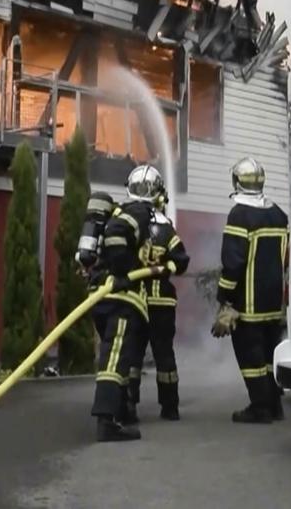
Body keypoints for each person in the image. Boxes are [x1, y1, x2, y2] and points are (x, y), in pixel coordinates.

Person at [84, 165, 168, 442]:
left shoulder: (120, 210)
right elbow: (117, 235)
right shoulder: (139, 212)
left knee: (120, 358)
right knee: (113, 359)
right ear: (156, 192)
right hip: (120, 298)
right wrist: (123, 271)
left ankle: (120, 412)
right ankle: (106, 422)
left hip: (102, 295)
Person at [211, 157, 289, 424]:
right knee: (269, 356)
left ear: (237, 182)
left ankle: (260, 408)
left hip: (248, 304)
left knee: (250, 357)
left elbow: (233, 263)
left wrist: (225, 298)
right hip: (274, 303)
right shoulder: (278, 214)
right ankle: (275, 405)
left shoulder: (239, 215)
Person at [126, 192, 190, 422]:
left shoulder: (130, 228)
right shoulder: (167, 231)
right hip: (162, 303)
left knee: (132, 354)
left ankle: (128, 405)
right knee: (164, 354)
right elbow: (181, 261)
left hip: (135, 300)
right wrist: (168, 265)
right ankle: (170, 407)